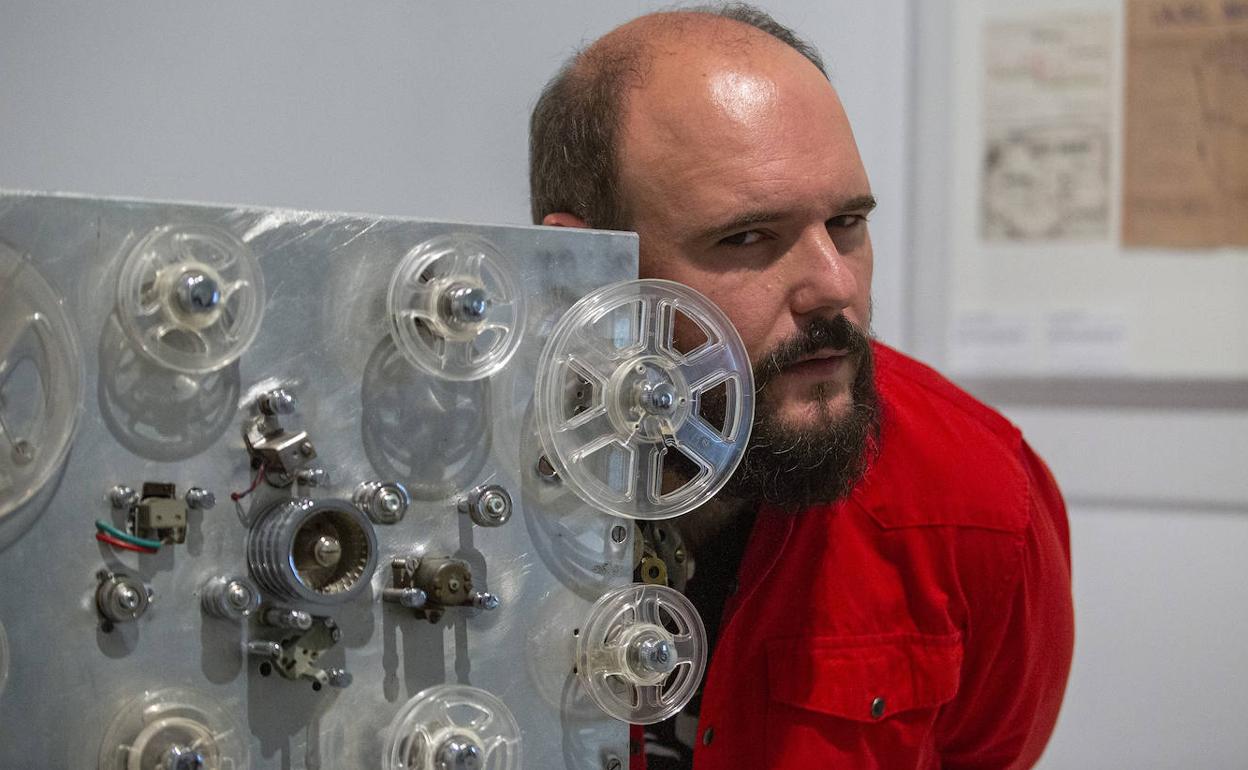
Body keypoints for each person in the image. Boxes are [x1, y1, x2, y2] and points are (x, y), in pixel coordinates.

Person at [529, 5, 1074, 768]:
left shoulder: (978, 502)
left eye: (847, 222)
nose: (833, 285)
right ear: (579, 267)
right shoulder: (462, 493)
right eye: (747, 238)